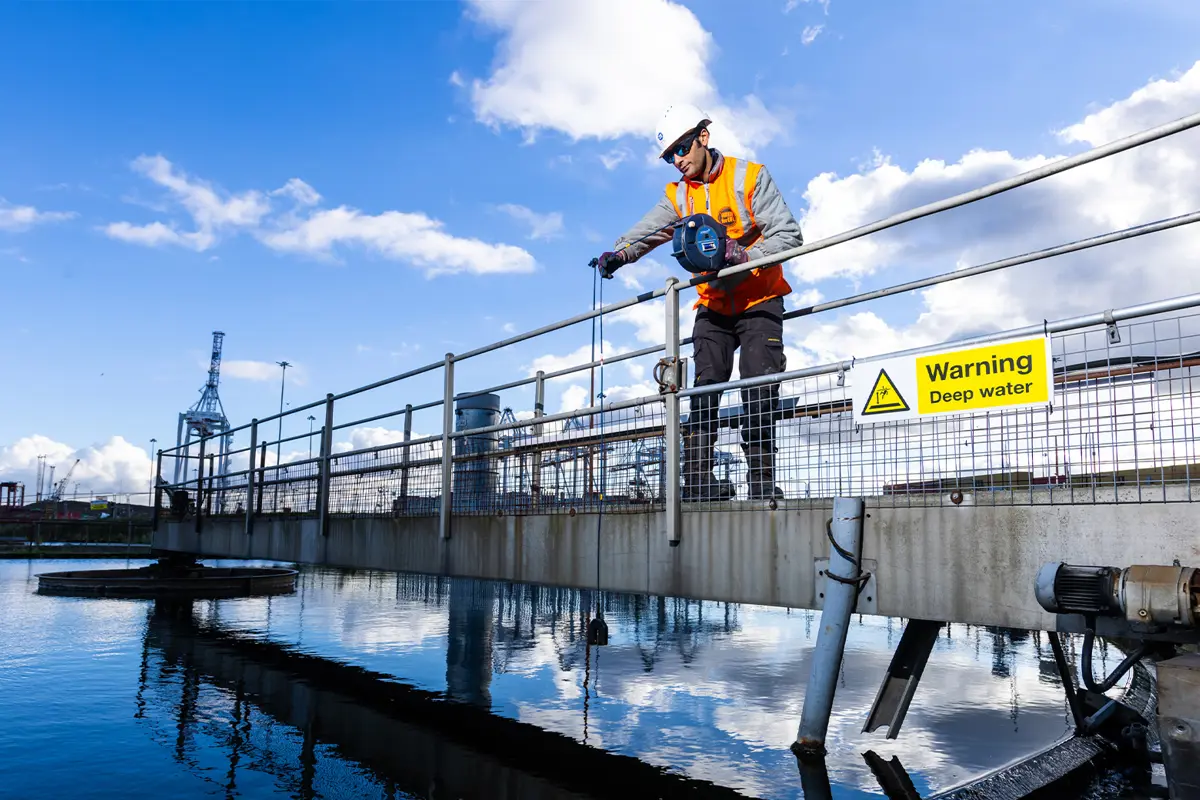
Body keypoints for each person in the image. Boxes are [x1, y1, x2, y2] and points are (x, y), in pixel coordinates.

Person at [595, 103, 803, 501]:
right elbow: (648, 231)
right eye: (670, 155)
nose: (677, 160)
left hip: (759, 297)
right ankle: (698, 486)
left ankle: (761, 485)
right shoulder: (678, 196)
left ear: (702, 138)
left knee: (758, 386)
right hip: (714, 306)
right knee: (702, 390)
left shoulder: (750, 177)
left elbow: (789, 235)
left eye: (681, 149)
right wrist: (619, 255)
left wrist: (745, 257)